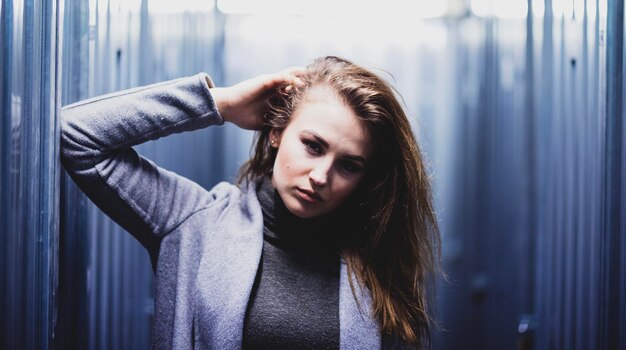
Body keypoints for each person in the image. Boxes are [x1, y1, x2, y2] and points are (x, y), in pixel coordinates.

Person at [61, 56, 441, 349]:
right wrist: (219, 104)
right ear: (276, 132)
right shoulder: (194, 221)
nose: (321, 176)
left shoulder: (378, 264)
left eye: (349, 165)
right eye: (312, 146)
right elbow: (76, 137)